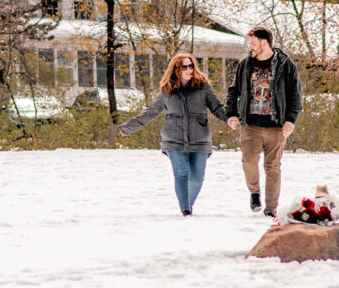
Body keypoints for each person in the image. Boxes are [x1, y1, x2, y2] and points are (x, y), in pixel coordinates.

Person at [118, 51, 227, 216]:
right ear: (176, 69)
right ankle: (186, 210)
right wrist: (128, 128)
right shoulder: (167, 90)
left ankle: (187, 204)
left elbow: (218, 108)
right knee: (182, 174)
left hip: (200, 139)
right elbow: (151, 111)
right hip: (174, 140)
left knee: (197, 178)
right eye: (185, 67)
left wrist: (232, 118)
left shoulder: (204, 87)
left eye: (191, 66)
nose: (189, 69)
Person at [226, 26, 303, 217]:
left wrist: (291, 120)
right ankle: (254, 193)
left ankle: (270, 210)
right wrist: (231, 114)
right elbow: (233, 91)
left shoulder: (286, 65)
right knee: (249, 161)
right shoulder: (245, 65)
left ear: (264, 42)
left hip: (276, 126)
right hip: (250, 124)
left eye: (253, 43)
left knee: (273, 167)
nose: (250, 47)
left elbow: (295, 95)